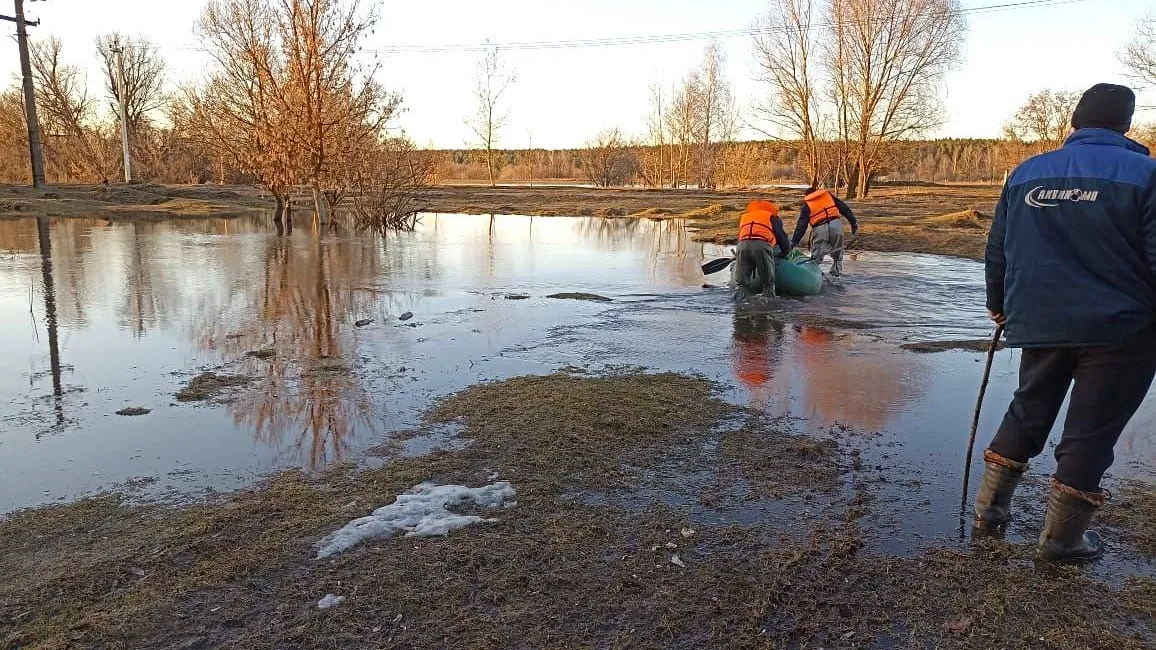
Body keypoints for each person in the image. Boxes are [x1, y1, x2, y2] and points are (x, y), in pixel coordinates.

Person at [977, 83, 1156, 562]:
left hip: (1040, 318)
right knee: (1090, 431)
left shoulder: (1026, 173)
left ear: (1074, 122)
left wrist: (1001, 304)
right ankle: (1062, 541)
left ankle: (989, 513)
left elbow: (999, 248)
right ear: (1126, 126)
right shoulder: (1147, 173)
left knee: (1028, 408)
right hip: (1122, 329)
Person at [790, 186, 858, 277]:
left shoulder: (807, 205)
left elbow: (801, 226)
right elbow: (844, 209)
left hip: (819, 228)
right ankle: (836, 275)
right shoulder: (828, 196)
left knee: (817, 255)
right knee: (838, 252)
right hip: (836, 225)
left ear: (807, 196)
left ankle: (811, 276)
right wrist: (853, 223)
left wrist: (794, 241)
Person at [733, 199, 791, 300]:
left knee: (742, 285)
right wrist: (785, 252)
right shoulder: (772, 217)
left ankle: (739, 307)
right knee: (768, 285)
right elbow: (781, 237)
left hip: (742, 246)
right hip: (761, 246)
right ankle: (767, 306)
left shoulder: (745, 217)